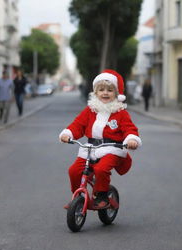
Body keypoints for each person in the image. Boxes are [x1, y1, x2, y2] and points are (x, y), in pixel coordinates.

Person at [59, 69, 142, 209]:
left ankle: (102, 196)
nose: (105, 93)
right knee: (74, 170)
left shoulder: (120, 113)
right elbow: (78, 125)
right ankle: (77, 197)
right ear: (95, 93)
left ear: (116, 94)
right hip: (90, 148)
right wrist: (68, 134)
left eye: (109, 90)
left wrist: (131, 139)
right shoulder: (90, 110)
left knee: (101, 169)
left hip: (112, 149)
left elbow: (129, 129)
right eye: (101, 89)